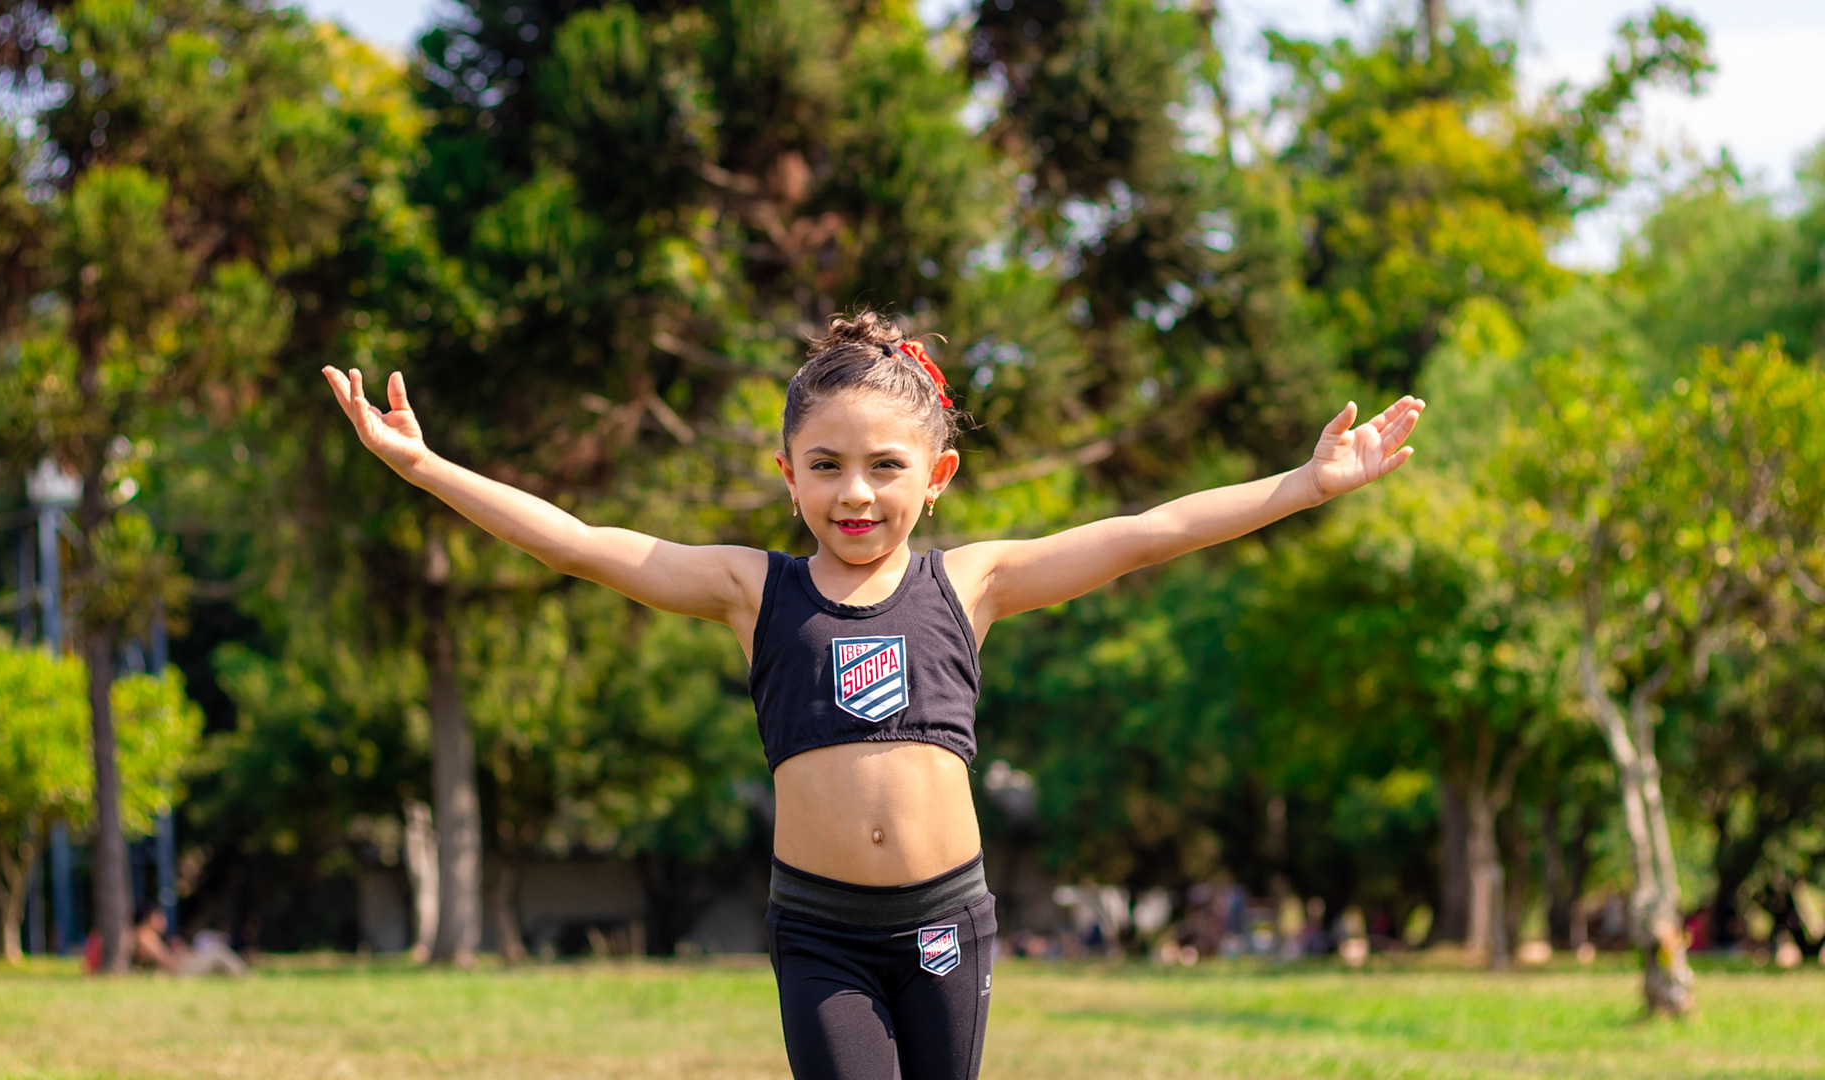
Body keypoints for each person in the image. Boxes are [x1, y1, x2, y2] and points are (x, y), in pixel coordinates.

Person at [321, 311, 1423, 1080]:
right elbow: (579, 542)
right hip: (822, 932)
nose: (856, 493)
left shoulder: (972, 583)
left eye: (887, 467)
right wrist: (427, 467)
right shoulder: (752, 590)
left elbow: (1147, 532)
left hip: (946, 923)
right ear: (787, 474)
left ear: (935, 478)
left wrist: (1303, 485)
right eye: (826, 466)